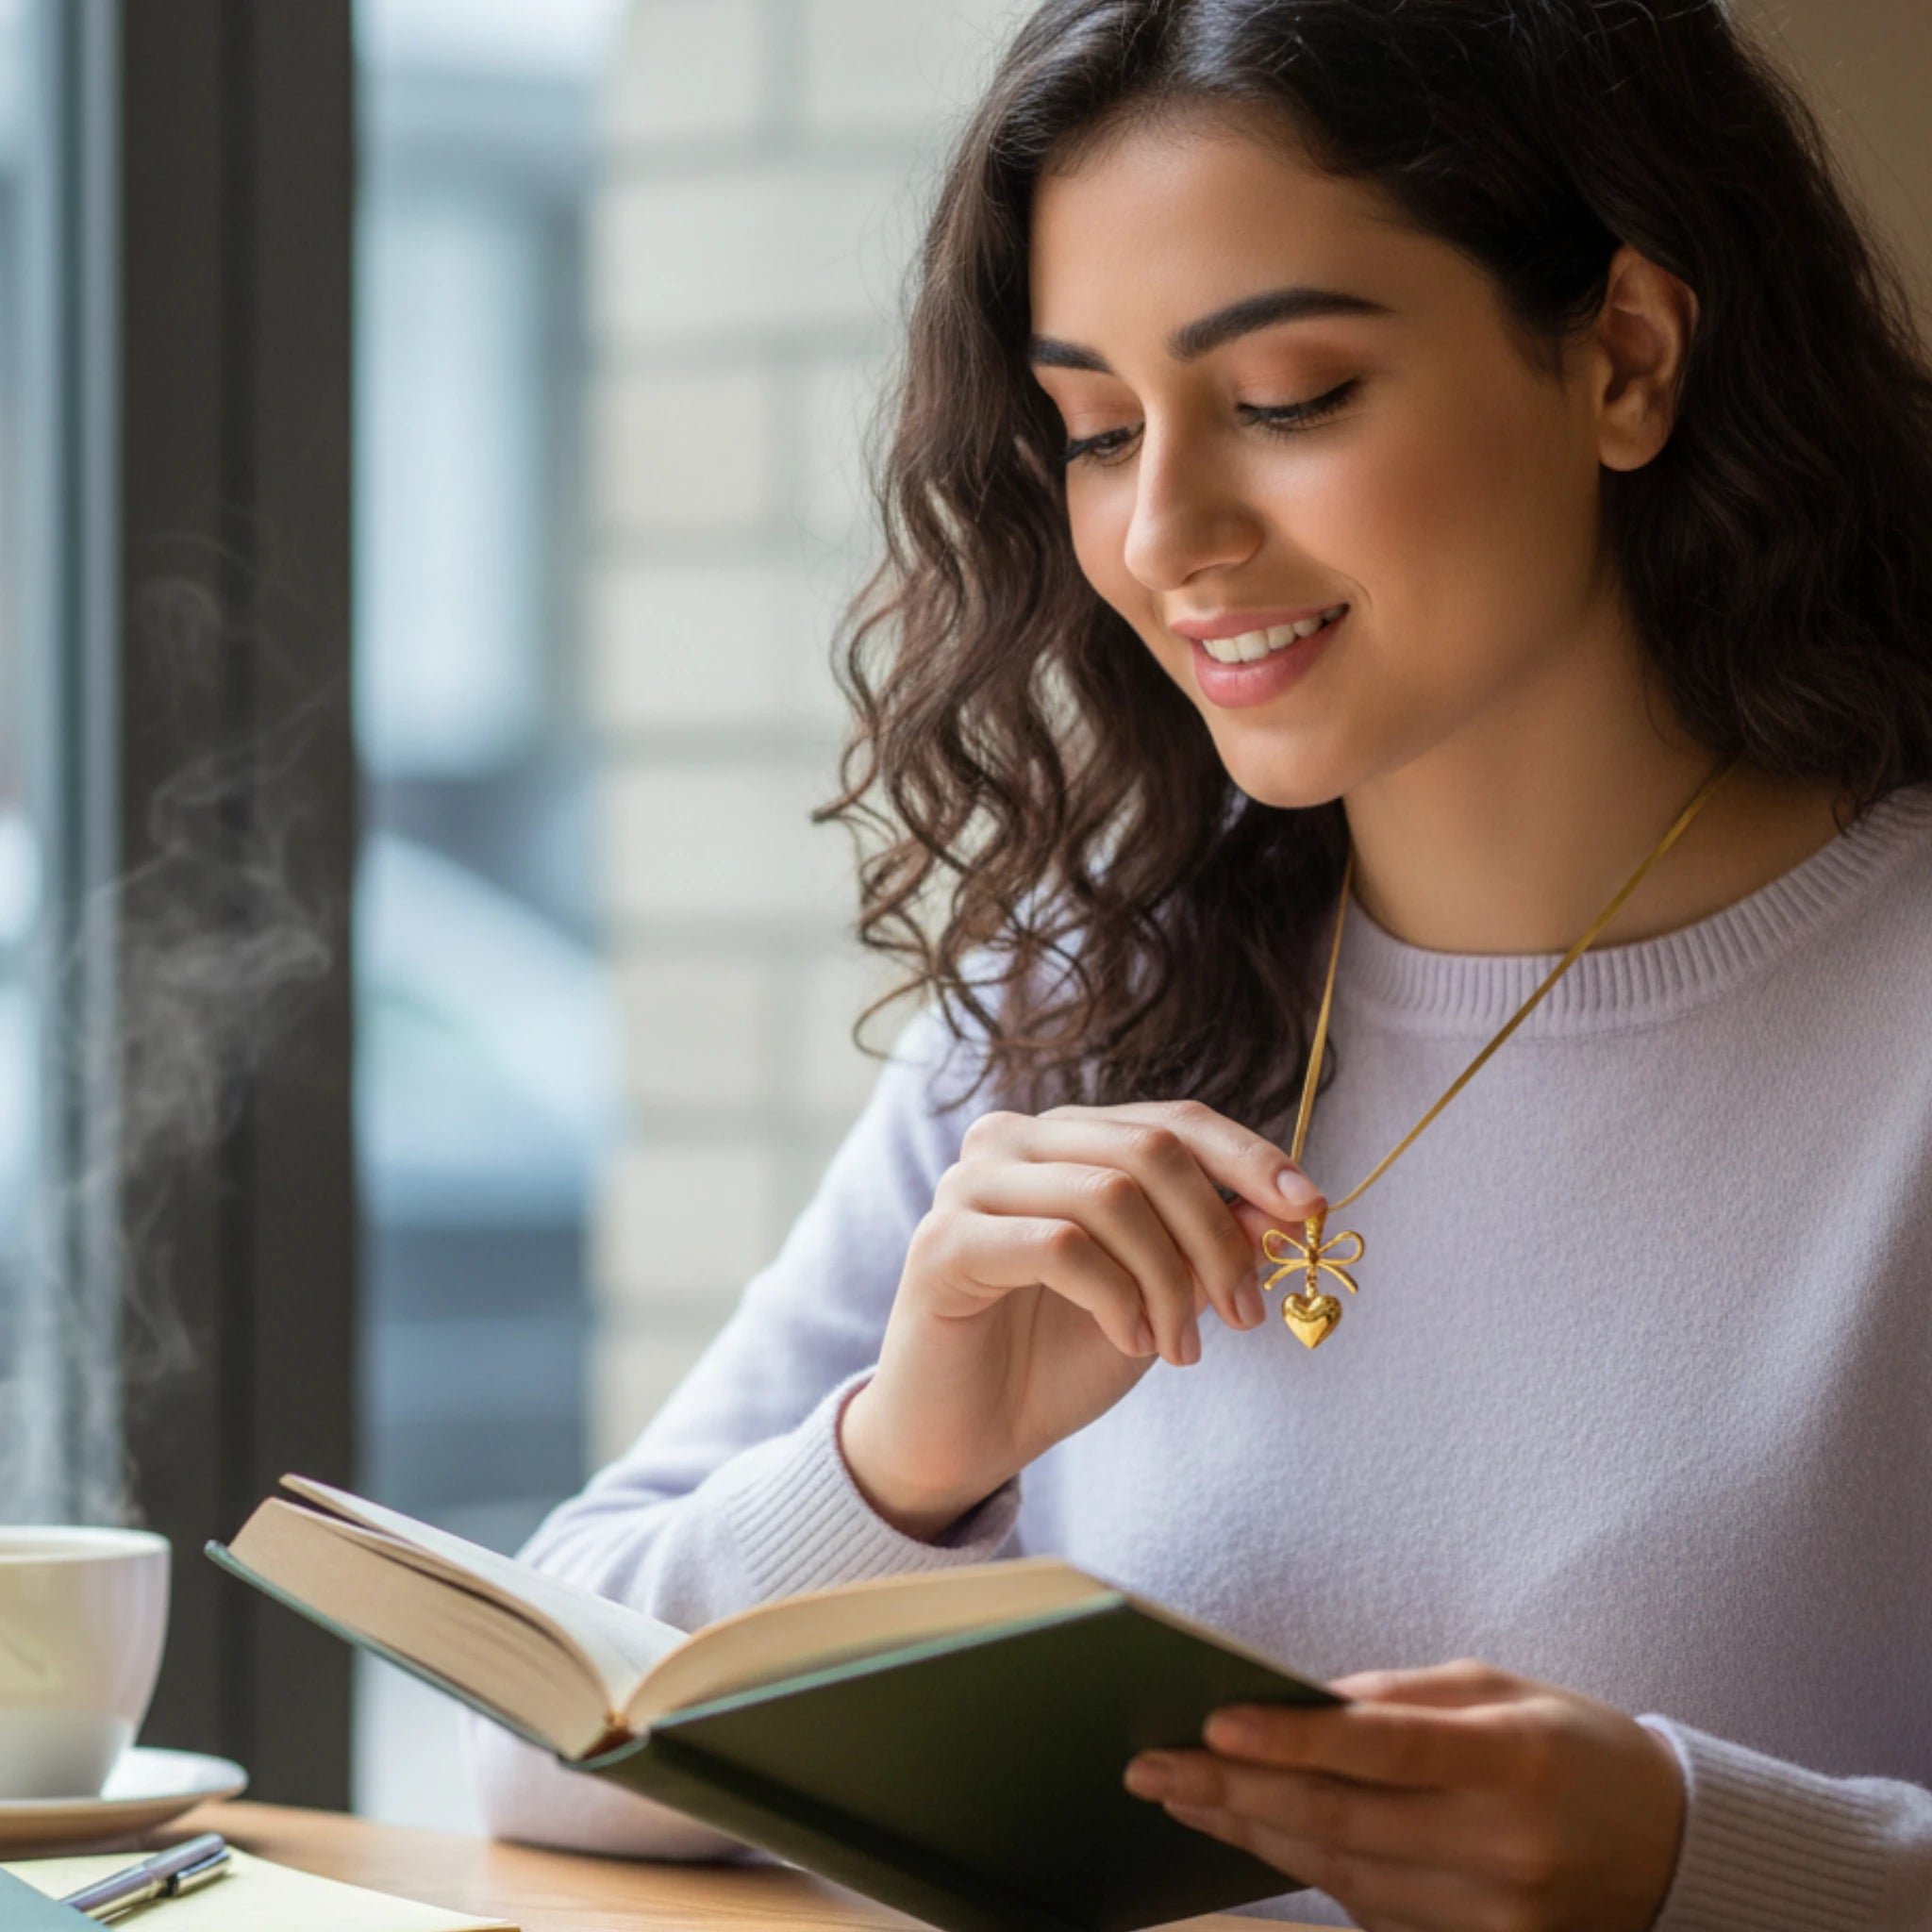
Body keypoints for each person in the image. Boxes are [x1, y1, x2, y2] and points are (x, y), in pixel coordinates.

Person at [467, 1, 1932, 1924]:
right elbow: (522, 1738)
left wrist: (1707, 1857)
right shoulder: (1082, 994)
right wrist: (907, 1452)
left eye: (1289, 396)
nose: (1163, 534)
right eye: (1092, 429)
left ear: (1625, 358)